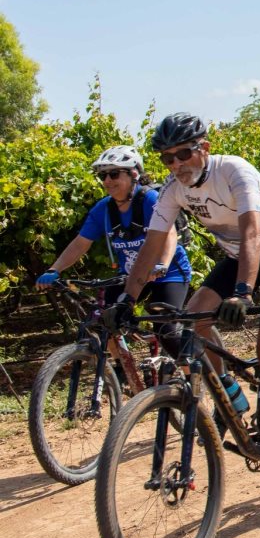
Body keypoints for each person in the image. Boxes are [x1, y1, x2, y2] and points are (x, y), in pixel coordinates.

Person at [102, 113, 260, 472]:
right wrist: (127, 299)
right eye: (166, 158)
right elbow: (151, 245)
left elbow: (252, 232)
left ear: (204, 148)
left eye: (183, 154)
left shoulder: (235, 172)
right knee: (193, 320)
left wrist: (243, 292)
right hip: (237, 257)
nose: (176, 164)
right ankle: (230, 393)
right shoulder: (173, 191)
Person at [37, 145, 191, 376]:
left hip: (169, 274)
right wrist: (54, 269)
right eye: (103, 175)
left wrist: (163, 265)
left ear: (134, 174)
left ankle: (193, 379)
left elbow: (168, 233)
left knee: (166, 328)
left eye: (114, 174)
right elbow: (80, 243)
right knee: (102, 318)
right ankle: (123, 369)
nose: (107, 180)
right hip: (131, 276)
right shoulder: (104, 209)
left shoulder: (150, 199)